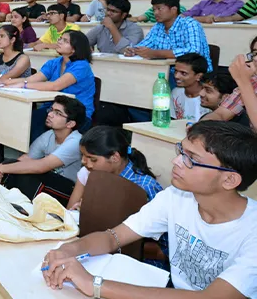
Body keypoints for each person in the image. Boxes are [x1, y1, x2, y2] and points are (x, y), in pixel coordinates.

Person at [42, 121, 257, 298]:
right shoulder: (176, 197)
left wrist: (94, 284)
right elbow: (113, 237)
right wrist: (68, 250)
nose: (176, 161)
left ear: (229, 180)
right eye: (181, 151)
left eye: (191, 159)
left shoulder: (252, 230)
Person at [0, 95, 85, 203]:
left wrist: (1, 168)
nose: (50, 114)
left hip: (70, 191)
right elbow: (26, 159)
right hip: (51, 181)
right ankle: (6, 201)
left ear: (70, 123)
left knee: (29, 178)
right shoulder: (49, 135)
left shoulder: (75, 142)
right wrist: (1, 169)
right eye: (51, 110)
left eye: (58, 113)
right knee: (12, 164)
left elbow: (42, 166)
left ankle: (22, 207)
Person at [5, 30, 96, 138]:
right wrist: (6, 82)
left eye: (65, 41)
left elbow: (55, 86)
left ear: (74, 48)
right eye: (60, 38)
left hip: (75, 114)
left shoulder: (82, 66)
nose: (59, 41)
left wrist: (23, 85)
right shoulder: (55, 62)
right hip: (53, 108)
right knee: (25, 120)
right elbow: (32, 79)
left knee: (34, 127)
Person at [66, 126, 162, 212]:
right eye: (82, 155)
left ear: (115, 157)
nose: (83, 161)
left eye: (93, 159)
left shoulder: (144, 186)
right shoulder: (93, 173)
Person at [125, 0, 212, 71]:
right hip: (166, 70)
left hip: (195, 73)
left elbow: (194, 51)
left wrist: (155, 53)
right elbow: (145, 45)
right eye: (154, 10)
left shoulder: (190, 24)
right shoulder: (157, 26)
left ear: (173, 10)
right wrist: (133, 50)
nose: (155, 13)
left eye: (159, 9)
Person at [202, 43, 257, 128]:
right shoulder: (253, 82)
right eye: (255, 53)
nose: (255, 58)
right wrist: (199, 127)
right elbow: (221, 114)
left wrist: (244, 82)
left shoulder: (246, 82)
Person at [171, 53, 210, 122]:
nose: (176, 76)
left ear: (198, 76)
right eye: (176, 71)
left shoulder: (208, 97)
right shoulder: (176, 92)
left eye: (183, 73)